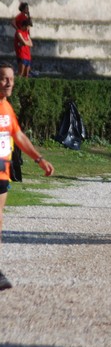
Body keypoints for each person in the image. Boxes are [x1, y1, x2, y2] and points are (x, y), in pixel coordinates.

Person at [0, 62, 55, 290]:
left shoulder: (7, 108)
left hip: (2, 169)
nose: (10, 82)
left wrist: (39, 158)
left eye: (12, 78)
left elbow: (19, 136)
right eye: (4, 78)